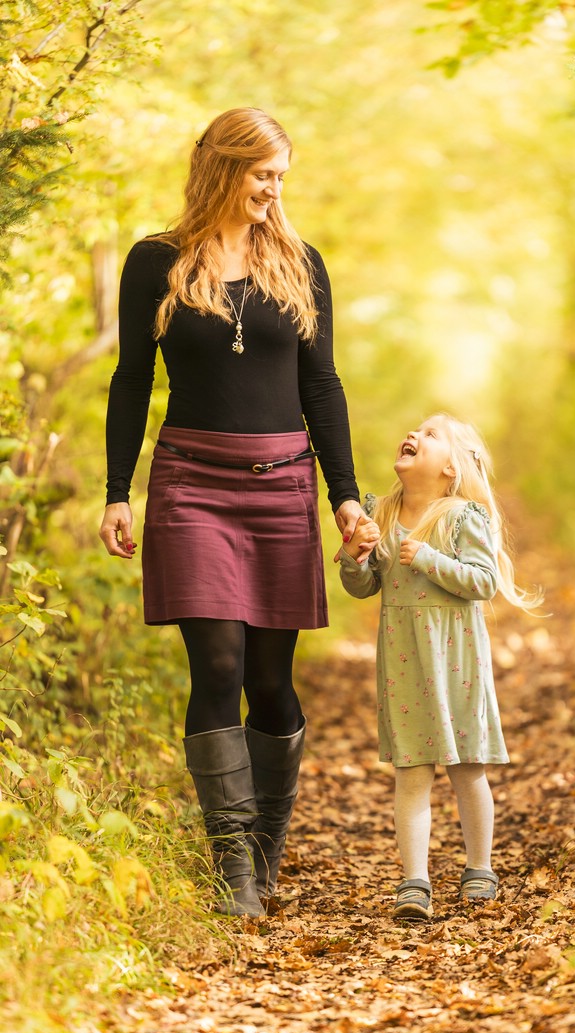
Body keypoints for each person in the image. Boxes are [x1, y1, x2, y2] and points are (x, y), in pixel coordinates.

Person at [99, 107, 373, 917]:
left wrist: (345, 494)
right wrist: (118, 490)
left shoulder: (300, 261)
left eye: (282, 176)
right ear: (223, 168)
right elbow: (130, 380)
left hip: (282, 483)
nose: (274, 190)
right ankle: (234, 870)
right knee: (215, 667)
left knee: (270, 681)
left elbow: (322, 384)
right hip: (190, 483)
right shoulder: (157, 261)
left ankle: (265, 840)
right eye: (263, 174)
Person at [338, 413, 542, 921]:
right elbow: (361, 588)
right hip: (404, 659)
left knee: (466, 766)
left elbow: (482, 582)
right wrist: (356, 556)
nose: (414, 434)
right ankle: (415, 881)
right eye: (414, 429)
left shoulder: (461, 516)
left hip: (456, 659)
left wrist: (429, 558)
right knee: (411, 771)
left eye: (430, 435)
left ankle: (479, 867)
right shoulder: (378, 514)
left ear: (450, 467)